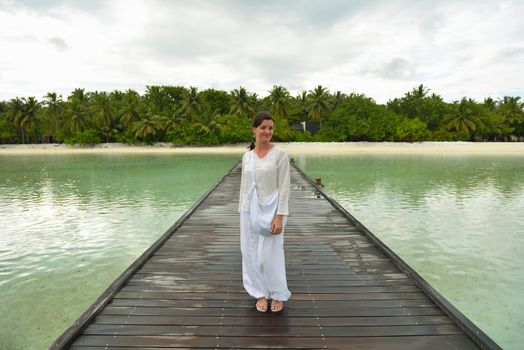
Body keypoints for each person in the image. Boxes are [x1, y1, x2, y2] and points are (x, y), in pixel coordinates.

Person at [238, 111, 291, 313]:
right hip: (249, 209)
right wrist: (242, 211)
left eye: (270, 128)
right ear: (254, 130)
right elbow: (244, 187)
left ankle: (277, 293)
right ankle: (259, 292)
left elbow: (284, 187)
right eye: (263, 127)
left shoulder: (280, 155)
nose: (267, 131)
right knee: (250, 252)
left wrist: (280, 216)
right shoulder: (247, 157)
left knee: (271, 254)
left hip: (273, 210)